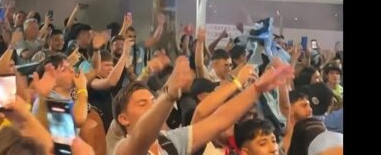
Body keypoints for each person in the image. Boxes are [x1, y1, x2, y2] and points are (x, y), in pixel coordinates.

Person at [111, 56, 294, 155]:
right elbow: (140, 139)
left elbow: (219, 119)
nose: (152, 106)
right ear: (123, 118)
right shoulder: (122, 149)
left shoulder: (169, 142)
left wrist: (256, 88)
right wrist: (167, 97)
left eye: (153, 100)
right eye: (143, 103)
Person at [282, 90, 314, 154]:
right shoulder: (278, 142)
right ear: (290, 108)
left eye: (309, 105)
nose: (310, 109)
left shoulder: (314, 134)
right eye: (304, 105)